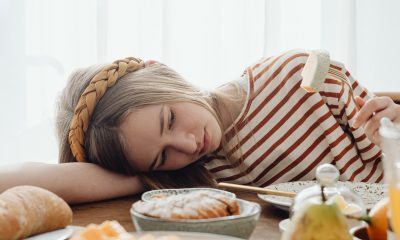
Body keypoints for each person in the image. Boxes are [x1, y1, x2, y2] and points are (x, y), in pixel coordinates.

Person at [0, 50, 396, 204]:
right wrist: (143, 175)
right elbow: (12, 180)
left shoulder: (297, 75)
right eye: (162, 154)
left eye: (169, 119)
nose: (188, 145)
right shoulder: (189, 176)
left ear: (162, 72)